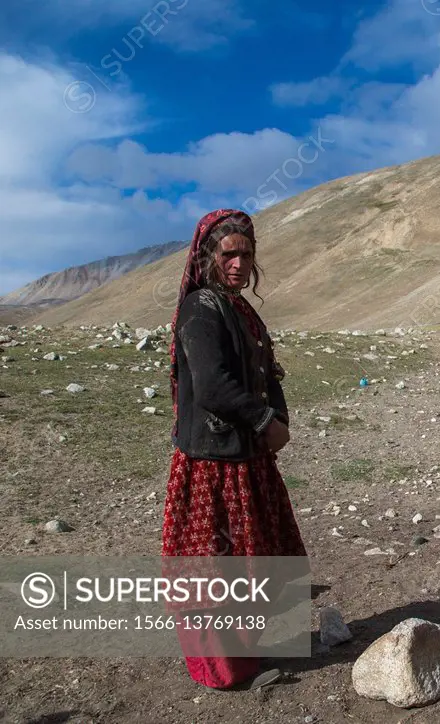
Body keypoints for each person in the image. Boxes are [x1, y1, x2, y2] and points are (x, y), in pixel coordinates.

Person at [162, 209, 308, 689]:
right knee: (217, 564)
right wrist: (265, 420)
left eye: (247, 254)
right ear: (208, 255)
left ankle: (250, 649)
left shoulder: (242, 309)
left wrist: (278, 417)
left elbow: (268, 372)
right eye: (230, 253)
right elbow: (211, 386)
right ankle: (222, 667)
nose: (239, 263)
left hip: (246, 454)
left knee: (250, 557)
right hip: (212, 461)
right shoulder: (200, 309)